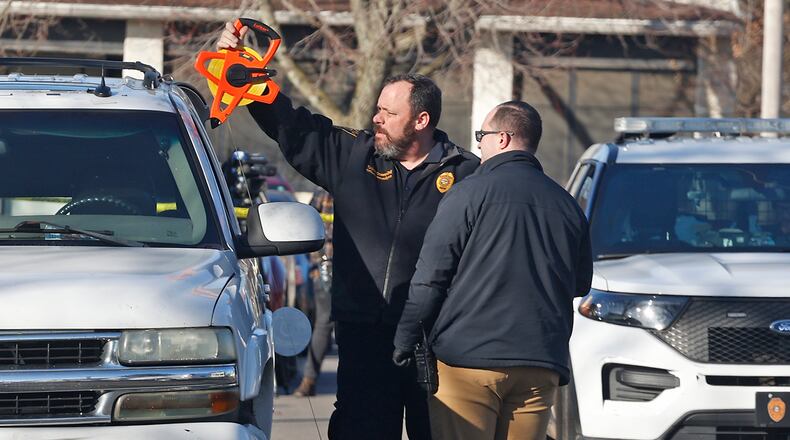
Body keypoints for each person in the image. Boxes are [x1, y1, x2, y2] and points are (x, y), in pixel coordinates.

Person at [217, 22, 480, 440]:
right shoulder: (355, 155)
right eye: (378, 109)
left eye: (389, 113)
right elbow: (294, 127)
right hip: (364, 335)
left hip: (435, 341)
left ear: (421, 120)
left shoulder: (466, 173)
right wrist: (244, 71)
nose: (376, 118)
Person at [393, 101, 593, 440]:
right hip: (539, 362)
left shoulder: (467, 194)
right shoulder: (567, 205)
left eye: (481, 136)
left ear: (502, 138)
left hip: (468, 361)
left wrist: (404, 341)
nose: (478, 145)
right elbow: (579, 283)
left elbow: (429, 280)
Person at [294, 190, 335, 397]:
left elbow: (306, 230)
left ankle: (309, 381)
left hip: (323, 269)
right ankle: (309, 380)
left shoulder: (321, 195)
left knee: (323, 324)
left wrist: (316, 263)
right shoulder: (362, 187)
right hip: (347, 271)